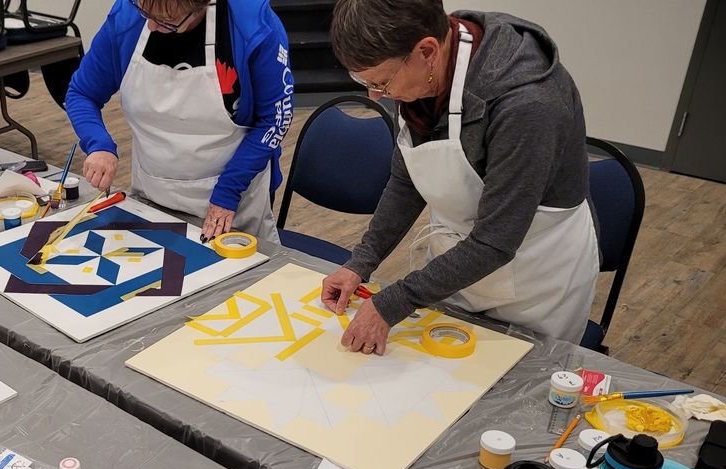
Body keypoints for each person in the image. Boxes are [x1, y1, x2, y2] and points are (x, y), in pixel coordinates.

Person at [320, 0, 599, 354]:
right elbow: (409, 178)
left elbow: (495, 242)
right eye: (364, 81)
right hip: (460, 262)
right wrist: (362, 261)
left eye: (382, 82)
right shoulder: (427, 70)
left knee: (514, 387)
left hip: (536, 275)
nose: (375, 95)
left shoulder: (528, 105)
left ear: (427, 51)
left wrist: (394, 302)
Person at [66, 0, 293, 243]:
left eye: (167, 21)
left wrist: (228, 191)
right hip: (151, 198)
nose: (151, 25)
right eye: (145, 12)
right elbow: (82, 93)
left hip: (232, 203)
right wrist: (98, 144)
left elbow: (274, 119)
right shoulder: (129, 16)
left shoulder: (252, 25)